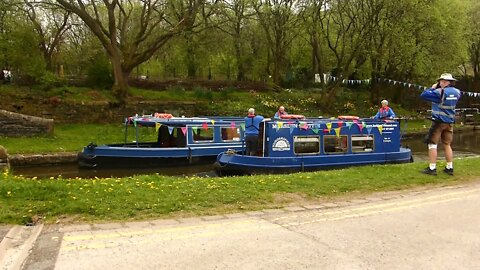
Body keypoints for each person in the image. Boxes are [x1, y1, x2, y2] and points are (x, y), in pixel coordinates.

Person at [420, 73, 461, 175]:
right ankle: (449, 167)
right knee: (447, 144)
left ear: (446, 82)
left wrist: (432, 88)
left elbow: (423, 95)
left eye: (441, 81)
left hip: (438, 122)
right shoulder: (457, 92)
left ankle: (432, 168)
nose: (439, 83)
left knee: (432, 144)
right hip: (450, 122)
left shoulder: (439, 92)